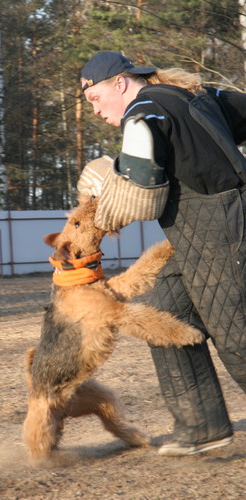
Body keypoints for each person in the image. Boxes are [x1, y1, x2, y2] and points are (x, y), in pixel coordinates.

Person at [79, 50, 246, 456]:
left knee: (237, 336)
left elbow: (140, 198)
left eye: (95, 99)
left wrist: (107, 179)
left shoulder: (145, 112)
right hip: (197, 236)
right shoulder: (198, 94)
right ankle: (201, 427)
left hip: (224, 231)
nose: (96, 111)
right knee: (162, 311)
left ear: (119, 83)